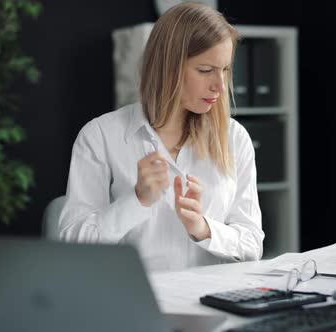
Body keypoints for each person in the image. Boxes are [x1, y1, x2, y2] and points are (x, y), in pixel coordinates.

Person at [58, 2, 264, 271]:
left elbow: (252, 245)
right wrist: (136, 201)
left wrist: (204, 229)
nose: (220, 86)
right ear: (169, 67)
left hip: (214, 301)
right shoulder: (100, 136)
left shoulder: (235, 138)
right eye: (205, 70)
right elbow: (72, 246)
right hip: (134, 302)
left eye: (225, 70)